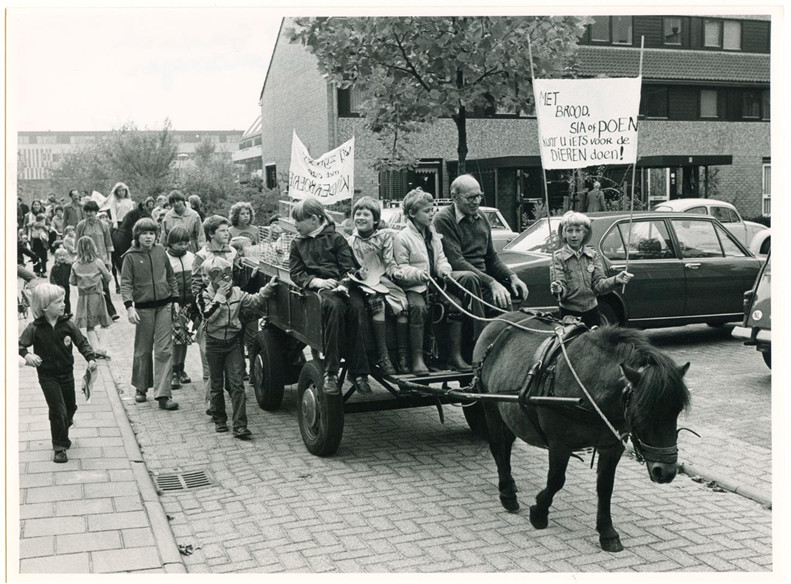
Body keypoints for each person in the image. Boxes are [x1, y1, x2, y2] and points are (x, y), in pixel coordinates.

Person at [289, 197, 372, 395]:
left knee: (358, 308)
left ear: (313, 219)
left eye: (298, 220)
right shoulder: (297, 243)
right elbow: (296, 272)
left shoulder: (336, 239)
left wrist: (344, 284)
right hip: (321, 290)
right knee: (334, 309)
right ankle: (331, 371)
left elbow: (348, 267)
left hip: (344, 286)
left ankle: (359, 372)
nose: (295, 225)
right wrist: (318, 282)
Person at [433, 174, 529, 343]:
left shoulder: (482, 217)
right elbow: (456, 261)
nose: (476, 201)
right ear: (454, 197)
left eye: (479, 196)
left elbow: (491, 256)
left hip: (482, 281)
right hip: (459, 281)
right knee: (474, 281)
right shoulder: (443, 219)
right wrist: (491, 283)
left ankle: (507, 347)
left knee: (509, 296)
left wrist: (512, 277)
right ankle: (480, 345)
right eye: (470, 197)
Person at [393, 188, 471, 374]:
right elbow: (400, 267)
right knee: (418, 309)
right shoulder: (402, 237)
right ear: (412, 214)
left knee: (456, 305)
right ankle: (417, 359)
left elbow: (441, 259)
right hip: (413, 288)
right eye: (427, 211)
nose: (432, 214)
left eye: (432, 209)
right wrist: (418, 274)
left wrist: (444, 270)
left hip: (434, 286)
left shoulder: (434, 236)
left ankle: (453, 355)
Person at [19, 283, 97, 463]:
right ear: (45, 307)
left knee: (70, 407)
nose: (63, 304)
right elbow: (20, 345)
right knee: (57, 409)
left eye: (63, 301)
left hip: (66, 374)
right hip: (47, 376)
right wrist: (27, 355)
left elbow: (82, 341)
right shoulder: (34, 328)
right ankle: (60, 447)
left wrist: (90, 357)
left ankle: (63, 422)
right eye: (58, 302)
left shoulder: (68, 324)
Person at [200, 256, 278, 437]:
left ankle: (240, 425)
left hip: (233, 343)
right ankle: (220, 419)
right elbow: (207, 315)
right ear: (209, 278)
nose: (225, 279)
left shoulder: (237, 293)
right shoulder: (204, 295)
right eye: (218, 275)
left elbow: (255, 300)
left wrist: (268, 288)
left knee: (237, 384)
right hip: (214, 343)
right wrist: (218, 298)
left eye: (228, 274)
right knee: (217, 383)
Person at [120, 217, 179, 410]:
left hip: (164, 306)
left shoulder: (161, 251)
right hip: (143, 308)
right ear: (137, 235)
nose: (148, 237)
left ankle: (163, 394)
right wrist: (129, 307)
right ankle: (141, 387)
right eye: (144, 233)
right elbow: (126, 283)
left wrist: (175, 300)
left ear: (156, 236)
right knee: (143, 349)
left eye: (152, 233)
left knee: (164, 349)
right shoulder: (130, 256)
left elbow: (170, 276)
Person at [346, 196, 408, 376]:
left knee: (402, 304)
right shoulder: (351, 241)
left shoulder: (384, 237)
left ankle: (403, 353)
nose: (361, 217)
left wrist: (395, 271)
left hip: (383, 278)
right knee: (377, 304)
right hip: (364, 283)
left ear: (375, 219)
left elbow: (389, 261)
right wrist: (358, 274)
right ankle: (383, 355)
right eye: (358, 213)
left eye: (366, 214)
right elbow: (349, 266)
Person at [549, 211, 633, 328]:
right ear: (564, 233)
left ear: (585, 233)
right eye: (569, 230)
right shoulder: (558, 258)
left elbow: (599, 286)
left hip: (592, 312)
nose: (574, 235)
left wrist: (616, 280)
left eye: (578, 231)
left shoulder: (593, 255)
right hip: (569, 315)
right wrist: (558, 289)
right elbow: (561, 291)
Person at [192, 215, 239, 407]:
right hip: (210, 312)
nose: (227, 233)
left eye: (227, 230)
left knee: (230, 363)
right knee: (210, 365)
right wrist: (206, 308)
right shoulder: (202, 256)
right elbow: (196, 286)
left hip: (231, 315)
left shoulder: (233, 252)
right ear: (211, 233)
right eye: (222, 230)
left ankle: (225, 397)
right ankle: (212, 403)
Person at [70, 236, 112, 358]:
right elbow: (108, 277)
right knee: (104, 323)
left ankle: (95, 349)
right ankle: (102, 348)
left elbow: (72, 281)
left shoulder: (76, 265)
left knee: (90, 325)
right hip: (97, 295)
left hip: (83, 298)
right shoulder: (98, 262)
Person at [76, 200, 118, 321]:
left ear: (96, 211)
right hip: (87, 260)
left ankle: (111, 312)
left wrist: (109, 260)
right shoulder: (81, 225)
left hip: (102, 260)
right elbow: (78, 243)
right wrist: (78, 259)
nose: (89, 213)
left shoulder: (103, 225)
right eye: (87, 211)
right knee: (91, 287)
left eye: (91, 211)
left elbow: (108, 244)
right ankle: (95, 313)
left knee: (105, 286)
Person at [165, 226, 196, 390]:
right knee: (175, 339)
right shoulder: (165, 258)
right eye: (179, 244)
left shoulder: (192, 257)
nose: (183, 247)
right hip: (173, 304)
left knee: (185, 339)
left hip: (189, 304)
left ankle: (181, 368)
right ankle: (173, 372)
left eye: (186, 243)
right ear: (170, 244)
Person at [112, 199, 152, 293]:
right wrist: (114, 222)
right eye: (120, 191)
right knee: (110, 234)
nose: (122, 192)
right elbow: (113, 212)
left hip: (128, 221)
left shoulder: (129, 201)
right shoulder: (114, 202)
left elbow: (132, 212)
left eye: (123, 191)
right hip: (117, 222)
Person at [49, 247, 73, 315]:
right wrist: (54, 284)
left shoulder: (68, 265)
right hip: (58, 286)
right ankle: (59, 311)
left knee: (67, 298)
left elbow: (72, 273)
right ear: (56, 257)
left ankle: (67, 311)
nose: (62, 257)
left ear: (66, 257)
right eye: (60, 256)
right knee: (58, 299)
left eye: (64, 256)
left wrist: (71, 280)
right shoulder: (55, 267)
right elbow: (52, 276)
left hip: (66, 285)